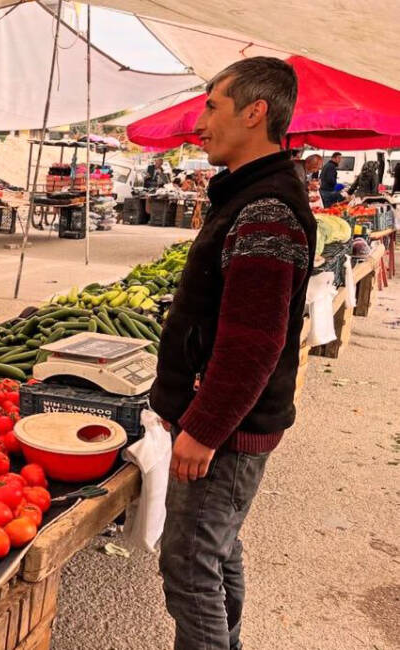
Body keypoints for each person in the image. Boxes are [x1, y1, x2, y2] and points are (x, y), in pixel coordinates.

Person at [150, 57, 315, 650]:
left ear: (255, 112)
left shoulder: (265, 207)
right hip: (233, 422)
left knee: (189, 568)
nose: (201, 123)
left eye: (212, 107)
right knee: (216, 551)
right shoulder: (252, 194)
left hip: (227, 428)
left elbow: (255, 341)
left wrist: (205, 427)